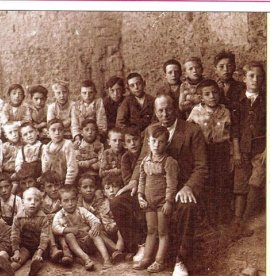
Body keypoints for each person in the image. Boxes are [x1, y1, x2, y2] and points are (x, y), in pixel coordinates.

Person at [110, 93, 207, 276]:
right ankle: (143, 245)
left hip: (177, 189)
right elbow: (141, 161)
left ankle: (180, 259)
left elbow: (201, 167)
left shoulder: (191, 131)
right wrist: (133, 182)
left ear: (175, 109)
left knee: (187, 206)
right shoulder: (150, 130)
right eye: (160, 110)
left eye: (168, 109)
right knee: (118, 202)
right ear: (155, 112)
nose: (165, 114)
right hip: (150, 190)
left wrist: (189, 187)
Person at [187, 79, 235, 226]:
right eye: (207, 94)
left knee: (223, 182)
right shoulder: (196, 111)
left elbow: (231, 133)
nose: (212, 96)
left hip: (222, 150)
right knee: (208, 183)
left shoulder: (225, 111)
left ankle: (224, 218)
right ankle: (209, 218)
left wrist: (233, 153)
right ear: (201, 97)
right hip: (205, 150)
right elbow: (189, 130)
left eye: (214, 92)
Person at [133, 125, 178, 273]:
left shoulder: (169, 162)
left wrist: (169, 201)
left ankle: (159, 260)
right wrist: (140, 196)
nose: (156, 145)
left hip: (162, 203)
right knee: (151, 230)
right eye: (153, 141)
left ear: (167, 144)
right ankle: (146, 258)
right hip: (149, 202)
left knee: (163, 232)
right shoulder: (146, 161)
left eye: (161, 142)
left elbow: (172, 184)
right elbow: (142, 179)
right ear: (148, 142)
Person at [233, 62, 266, 238]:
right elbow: (235, 129)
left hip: (260, 150)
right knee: (240, 184)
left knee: (256, 182)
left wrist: (267, 149)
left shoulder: (266, 100)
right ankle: (237, 222)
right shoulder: (238, 102)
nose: (255, 80)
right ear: (244, 79)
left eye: (259, 76)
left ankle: (245, 221)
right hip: (243, 149)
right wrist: (237, 152)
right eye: (251, 76)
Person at [52, 185, 112, 271]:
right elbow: (55, 227)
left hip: (88, 241)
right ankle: (86, 259)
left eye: (73, 199)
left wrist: (95, 225)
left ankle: (106, 259)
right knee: (68, 235)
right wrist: (68, 230)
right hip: (75, 245)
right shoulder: (59, 215)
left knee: (94, 232)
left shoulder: (81, 210)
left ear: (76, 199)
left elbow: (93, 218)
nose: (70, 203)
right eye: (66, 201)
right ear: (60, 202)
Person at [78, 174, 126, 263]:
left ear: (95, 188)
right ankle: (115, 251)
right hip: (96, 230)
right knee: (97, 232)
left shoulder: (100, 199)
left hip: (110, 226)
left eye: (91, 187)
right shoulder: (78, 203)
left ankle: (118, 252)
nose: (89, 190)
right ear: (79, 189)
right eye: (85, 187)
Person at [10, 187, 50, 276]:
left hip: (39, 246)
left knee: (37, 259)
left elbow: (44, 237)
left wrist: (40, 251)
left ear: (40, 203)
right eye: (29, 199)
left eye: (36, 200)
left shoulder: (43, 218)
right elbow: (14, 235)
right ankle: (11, 268)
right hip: (25, 246)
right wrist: (16, 251)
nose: (32, 203)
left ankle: (33, 269)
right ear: (23, 202)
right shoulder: (18, 217)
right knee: (21, 256)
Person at [39, 171, 68, 265]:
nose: (54, 189)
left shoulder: (64, 198)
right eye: (50, 186)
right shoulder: (41, 200)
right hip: (46, 232)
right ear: (43, 188)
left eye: (56, 185)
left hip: (62, 227)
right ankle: (53, 249)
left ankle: (65, 250)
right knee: (48, 223)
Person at [42, 119, 78, 185]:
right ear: (47, 133)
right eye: (53, 130)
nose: (57, 133)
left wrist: (67, 184)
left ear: (64, 131)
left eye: (60, 129)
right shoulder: (46, 148)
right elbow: (45, 167)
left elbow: (72, 166)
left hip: (65, 181)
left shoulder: (67, 144)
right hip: (52, 182)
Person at [14, 122, 43, 186]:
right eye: (25, 134)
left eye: (31, 132)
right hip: (25, 180)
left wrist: (42, 176)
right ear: (22, 138)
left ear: (37, 132)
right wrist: (21, 174)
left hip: (39, 178)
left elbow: (46, 164)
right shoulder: (22, 150)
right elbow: (18, 165)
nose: (29, 135)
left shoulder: (43, 147)